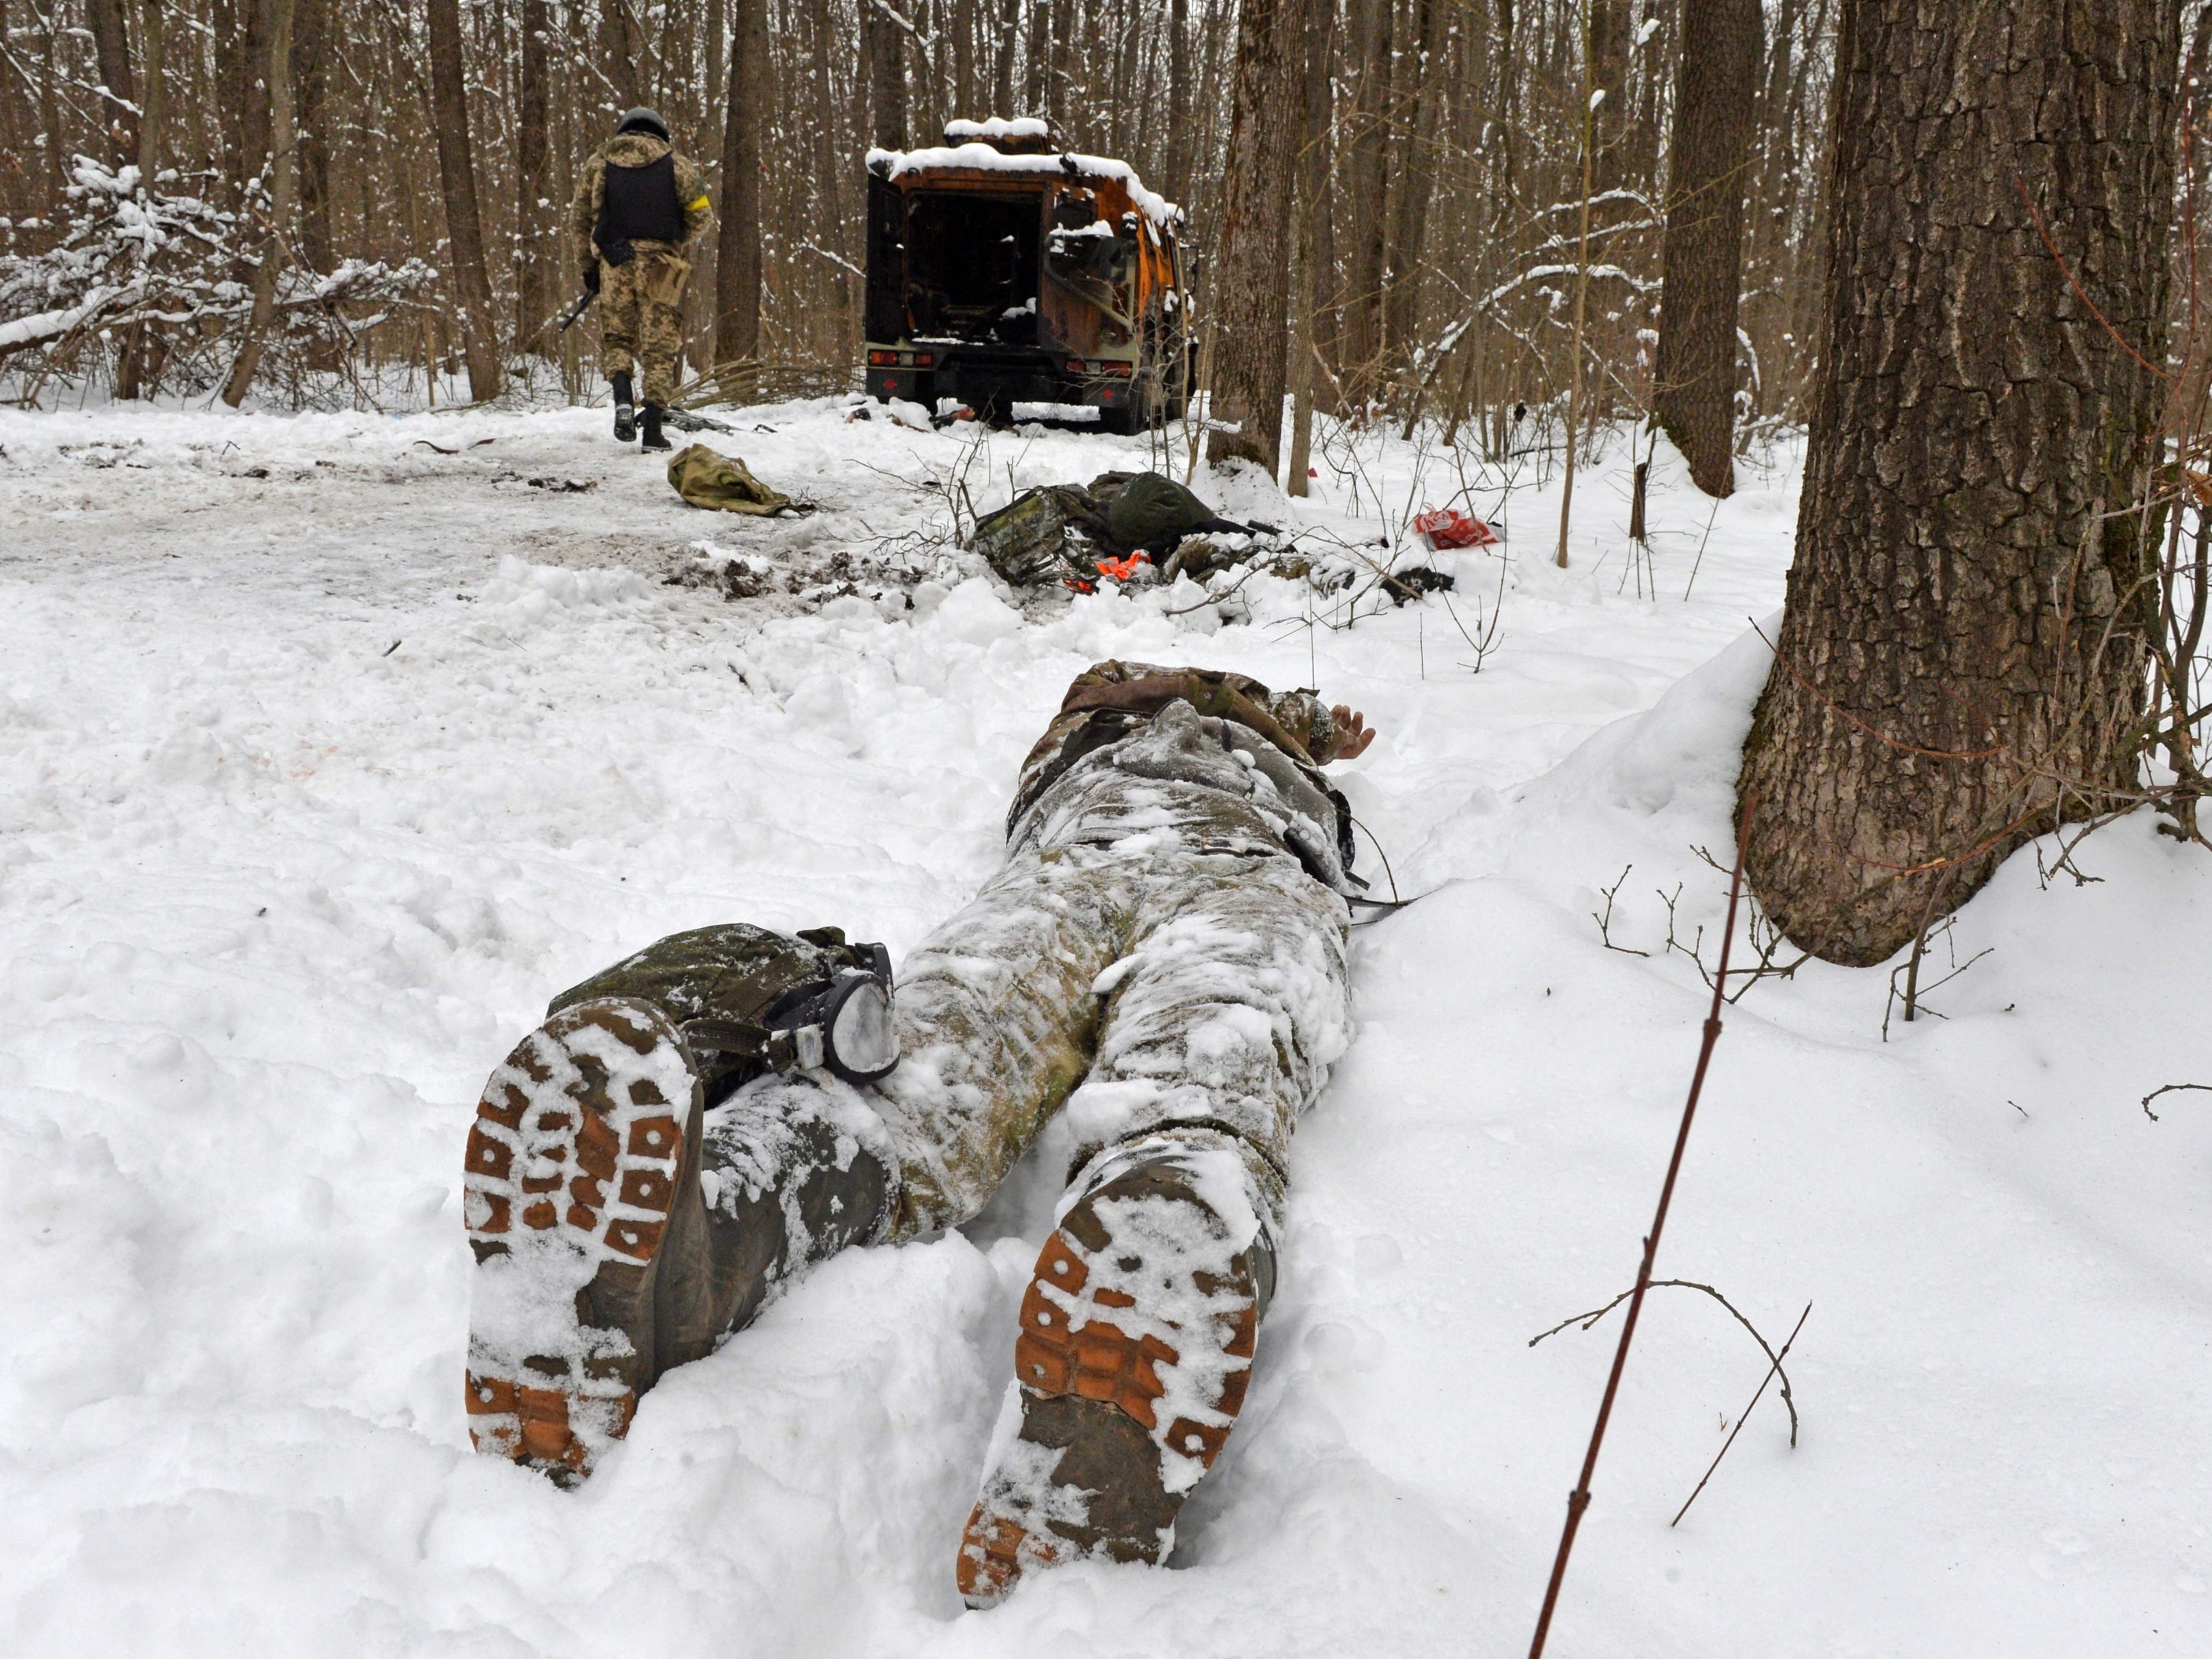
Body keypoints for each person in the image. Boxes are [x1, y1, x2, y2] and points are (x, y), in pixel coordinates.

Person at [460, 661, 1379, 1606]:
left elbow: (1270, 712)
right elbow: (1120, 679)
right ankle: (695, 1244)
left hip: (1191, 869)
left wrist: (1305, 726)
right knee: (947, 1065)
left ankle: (1142, 1278)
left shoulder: (1264, 743)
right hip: (1113, 854)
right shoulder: (1126, 705)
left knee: (1065, 1082)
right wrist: (1271, 722)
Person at [570, 107, 712, 452]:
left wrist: (590, 266)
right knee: (659, 347)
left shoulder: (597, 163)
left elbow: (579, 219)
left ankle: (622, 399)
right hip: (662, 264)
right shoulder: (678, 164)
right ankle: (651, 430)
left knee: (618, 337)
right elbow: (702, 215)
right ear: (659, 133)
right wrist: (674, 240)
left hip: (614, 261)